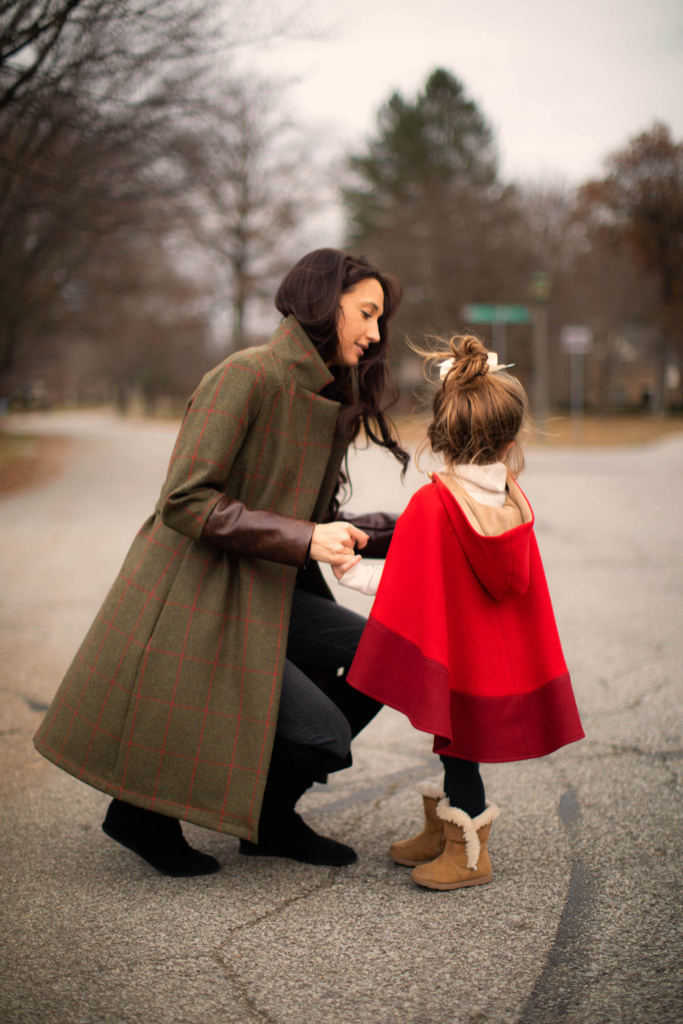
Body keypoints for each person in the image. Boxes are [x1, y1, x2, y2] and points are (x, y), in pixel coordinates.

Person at [33, 249, 409, 877]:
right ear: (324, 303)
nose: (375, 335)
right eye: (367, 314)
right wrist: (304, 537)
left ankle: (267, 821)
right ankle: (144, 814)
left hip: (271, 585)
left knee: (385, 652)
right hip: (206, 587)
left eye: (379, 321)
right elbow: (184, 499)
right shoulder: (247, 375)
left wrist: (415, 527)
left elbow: (313, 521)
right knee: (322, 734)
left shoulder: (323, 395)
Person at [334, 335, 585, 891]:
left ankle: (468, 852)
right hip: (486, 658)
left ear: (440, 432)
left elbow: (406, 584)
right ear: (511, 434)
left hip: (456, 655)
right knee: (455, 746)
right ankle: (440, 829)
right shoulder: (512, 497)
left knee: (459, 748)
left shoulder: (437, 501)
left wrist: (351, 572)